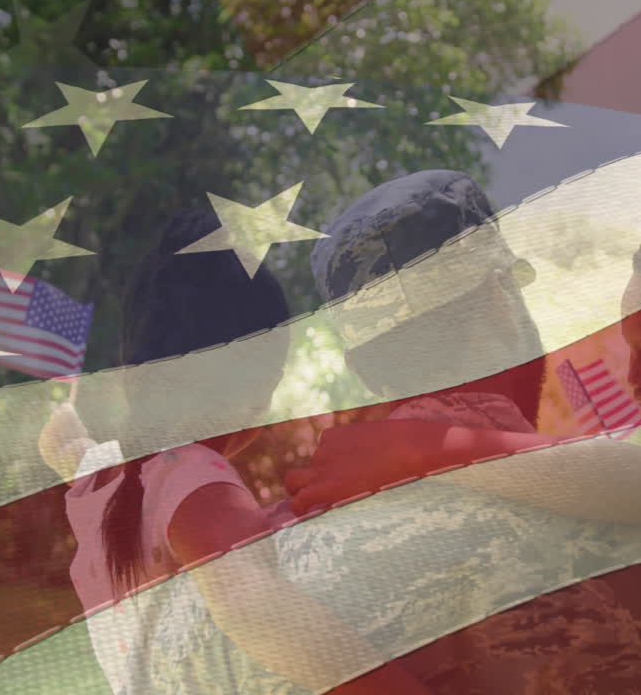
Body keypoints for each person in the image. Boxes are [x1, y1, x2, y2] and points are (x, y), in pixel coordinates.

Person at [282, 170, 641, 693]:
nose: (630, 378)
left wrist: (420, 450)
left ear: (359, 364)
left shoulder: (290, 562)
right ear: (500, 299)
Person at [38, 207, 431, 694]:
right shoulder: (193, 481)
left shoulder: (104, 480)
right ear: (256, 391)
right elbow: (263, 615)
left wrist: (66, 436)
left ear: (128, 373)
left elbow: (68, 451)